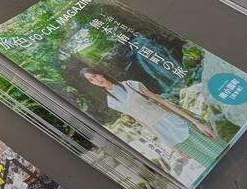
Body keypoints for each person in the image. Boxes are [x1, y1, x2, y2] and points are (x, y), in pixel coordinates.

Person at [80, 67, 225, 166]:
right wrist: (171, 146)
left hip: (171, 120)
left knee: (216, 149)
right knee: (208, 162)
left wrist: (196, 122)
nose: (96, 80)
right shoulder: (112, 102)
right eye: (91, 80)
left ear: (100, 74)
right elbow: (140, 121)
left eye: (95, 75)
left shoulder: (131, 85)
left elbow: (163, 101)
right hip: (163, 133)